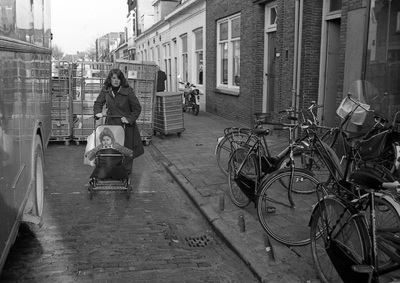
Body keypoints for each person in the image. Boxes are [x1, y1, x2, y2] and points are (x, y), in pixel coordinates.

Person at [93, 68, 144, 175]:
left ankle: (126, 172)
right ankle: (113, 170)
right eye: (114, 78)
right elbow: (98, 103)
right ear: (110, 79)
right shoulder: (106, 90)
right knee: (112, 148)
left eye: (119, 78)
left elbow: (137, 108)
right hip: (111, 125)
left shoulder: (128, 91)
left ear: (121, 80)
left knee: (126, 149)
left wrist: (129, 119)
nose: (116, 80)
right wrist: (97, 112)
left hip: (126, 126)